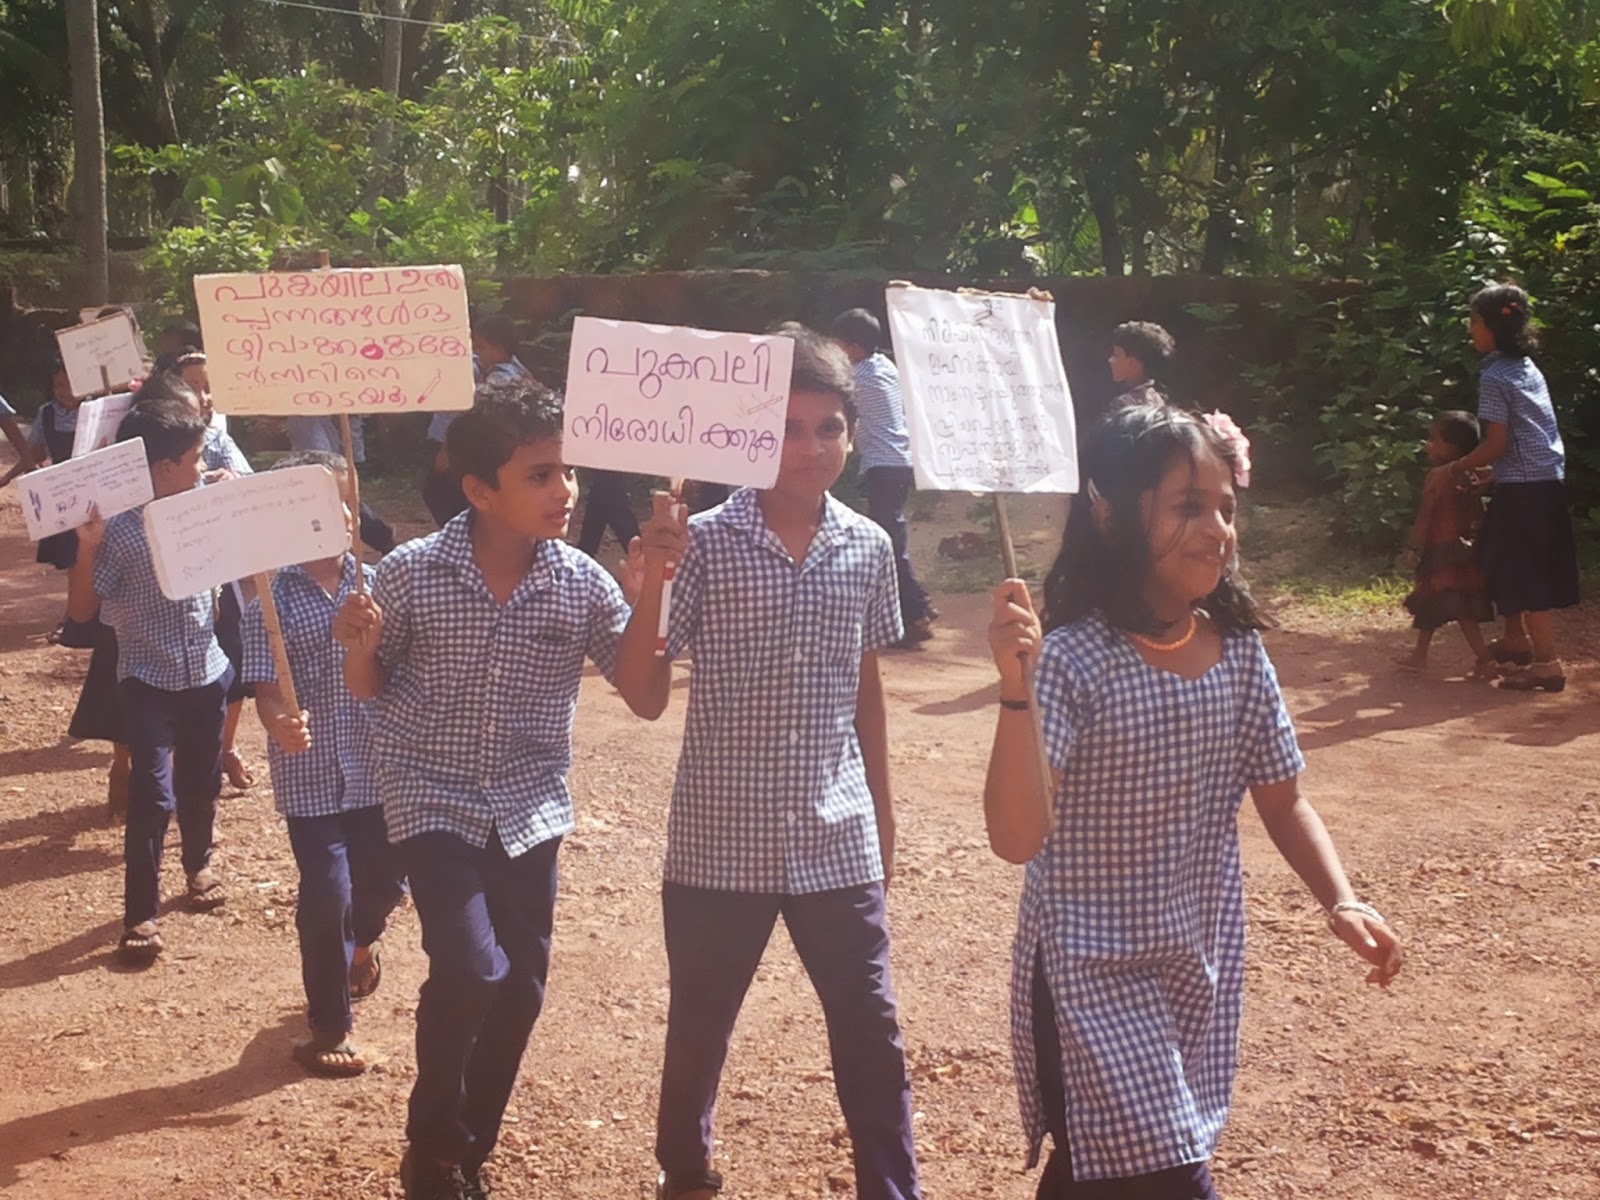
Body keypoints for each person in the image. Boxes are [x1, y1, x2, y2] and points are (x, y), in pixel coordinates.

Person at [983, 403, 1402, 1200]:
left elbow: (1284, 800)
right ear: (1112, 512)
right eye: (1187, 506)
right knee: (1168, 1169)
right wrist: (1015, 690)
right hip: (1085, 973)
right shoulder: (1070, 661)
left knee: (1106, 1173)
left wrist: (1341, 899)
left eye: (1225, 509)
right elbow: (1014, 837)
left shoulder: (1239, 655)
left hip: (1196, 965)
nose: (1216, 530)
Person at [617, 325, 922, 1200]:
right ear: (750, 436)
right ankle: (684, 1169)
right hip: (720, 840)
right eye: (787, 428)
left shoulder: (868, 547)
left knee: (871, 1028)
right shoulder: (701, 544)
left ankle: (892, 1187)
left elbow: (865, 687)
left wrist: (882, 816)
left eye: (829, 428)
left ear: (853, 435)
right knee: (701, 1022)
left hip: (837, 833)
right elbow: (644, 691)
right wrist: (652, 586)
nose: (810, 448)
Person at [334, 374, 655, 1200]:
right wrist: (356, 643)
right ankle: (433, 1141)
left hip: (529, 807)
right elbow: (367, 687)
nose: (564, 490)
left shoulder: (583, 582)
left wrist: (650, 590)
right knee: (472, 967)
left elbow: (645, 695)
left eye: (568, 471)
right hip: (430, 795)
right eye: (540, 475)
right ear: (480, 491)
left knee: (521, 987)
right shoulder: (410, 573)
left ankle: (462, 1155)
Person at [243, 450, 407, 1077]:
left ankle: (361, 947)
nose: (341, 516)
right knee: (325, 896)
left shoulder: (384, 585)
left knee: (386, 883)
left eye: (346, 504)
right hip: (308, 775)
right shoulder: (268, 600)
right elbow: (266, 689)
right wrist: (277, 722)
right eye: (320, 506)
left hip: (379, 766)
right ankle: (330, 1026)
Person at [73, 394, 233, 962]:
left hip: (208, 673)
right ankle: (140, 914)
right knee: (153, 795)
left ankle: (198, 865)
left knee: (202, 780)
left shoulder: (205, 505)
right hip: (147, 682)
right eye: (195, 458)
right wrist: (87, 549)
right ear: (164, 468)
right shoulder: (119, 531)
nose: (203, 465)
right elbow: (85, 609)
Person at [1442, 283, 1580, 694]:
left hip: (1525, 489)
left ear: (1492, 327)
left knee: (1525, 571)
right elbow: (1527, 438)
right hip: (1541, 481)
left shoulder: (1494, 376)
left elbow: (1498, 442)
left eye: (1474, 321)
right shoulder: (1526, 368)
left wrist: (1455, 468)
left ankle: (1547, 663)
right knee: (1503, 559)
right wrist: (1497, 474)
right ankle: (1516, 639)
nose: (1470, 329)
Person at [136, 371, 259, 791]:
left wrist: (231, 483)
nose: (199, 413)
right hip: (151, 587)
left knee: (231, 660)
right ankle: (142, 765)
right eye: (183, 412)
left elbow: (247, 482)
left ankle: (224, 749)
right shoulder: (131, 457)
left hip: (214, 576)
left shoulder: (217, 442)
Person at [831, 308, 936, 647]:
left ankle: (915, 615)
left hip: (885, 464)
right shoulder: (885, 367)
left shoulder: (857, 376)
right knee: (890, 536)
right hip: (898, 461)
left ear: (854, 347)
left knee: (888, 541)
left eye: (838, 343)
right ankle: (918, 605)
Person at [1394, 411, 1493, 676]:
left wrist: (1412, 548)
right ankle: (1419, 655)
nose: (1428, 444)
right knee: (1434, 604)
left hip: (1440, 551)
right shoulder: (1472, 475)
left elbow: (1425, 515)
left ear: (1452, 447)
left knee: (1458, 609)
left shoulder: (1437, 476)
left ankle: (1485, 659)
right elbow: (1477, 513)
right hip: (1461, 551)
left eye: (1433, 439)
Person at [422, 313, 532, 528]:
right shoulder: (490, 366)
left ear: (498, 349)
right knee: (451, 493)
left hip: (475, 446)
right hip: (471, 445)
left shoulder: (503, 378)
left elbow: (474, 413)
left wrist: (449, 448)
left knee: (438, 492)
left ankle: (466, 533)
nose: (477, 352)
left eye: (481, 347)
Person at [29, 360, 84, 572]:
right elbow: (35, 454)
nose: (65, 391)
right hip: (61, 493)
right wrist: (9, 477)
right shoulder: (46, 413)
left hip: (90, 489)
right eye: (58, 386)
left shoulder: (96, 410)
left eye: (70, 384)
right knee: (68, 557)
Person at [1107, 321, 1175, 409]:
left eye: (1116, 355)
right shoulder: (1159, 399)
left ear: (1132, 363)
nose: (1110, 360)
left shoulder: (1123, 404)